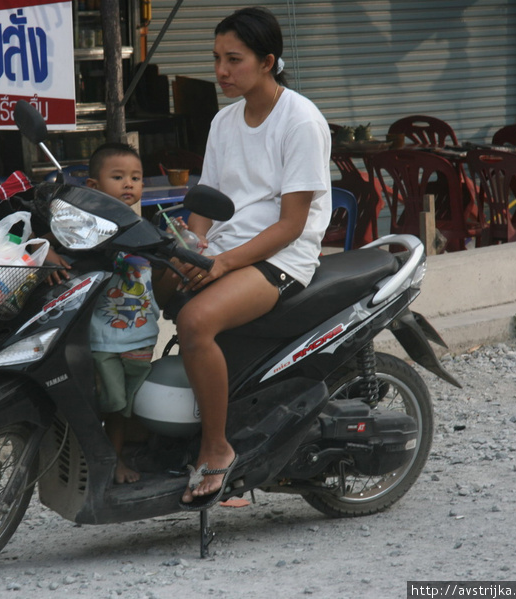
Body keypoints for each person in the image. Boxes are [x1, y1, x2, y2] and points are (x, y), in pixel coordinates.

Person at [175, 7, 332, 509]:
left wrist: (221, 264)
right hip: (228, 248)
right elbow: (205, 199)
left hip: (282, 256)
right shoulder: (224, 120)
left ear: (267, 61)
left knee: (195, 321)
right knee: (141, 288)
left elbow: (291, 224)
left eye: (234, 59)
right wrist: (190, 246)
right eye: (217, 58)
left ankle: (218, 447)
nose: (221, 70)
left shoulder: (300, 120)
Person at [85, 143, 158, 484]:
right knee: (110, 404)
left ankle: (119, 459)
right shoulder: (87, 229)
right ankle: (105, 462)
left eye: (135, 177)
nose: (128, 184)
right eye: (118, 177)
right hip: (104, 337)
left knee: (128, 407)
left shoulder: (148, 229)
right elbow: (56, 244)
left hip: (142, 336)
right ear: (93, 187)